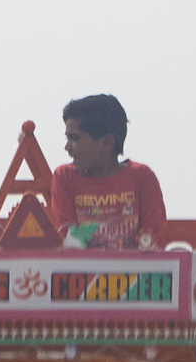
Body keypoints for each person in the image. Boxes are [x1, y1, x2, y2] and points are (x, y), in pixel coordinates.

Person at [51, 92, 167, 250]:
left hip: (132, 267)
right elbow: (66, 240)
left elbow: (154, 240)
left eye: (75, 138)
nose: (67, 147)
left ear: (106, 142)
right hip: (81, 267)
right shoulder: (64, 177)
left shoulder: (142, 177)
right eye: (68, 139)